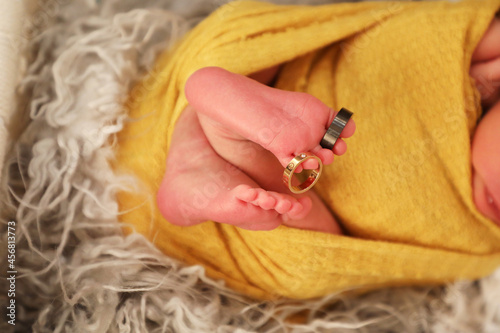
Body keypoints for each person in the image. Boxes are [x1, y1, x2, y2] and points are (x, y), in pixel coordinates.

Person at [157, 12, 500, 234]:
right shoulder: (479, 63)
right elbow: (420, 39)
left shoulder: (484, 233)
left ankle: (208, 154)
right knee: (264, 53)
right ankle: (221, 118)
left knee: (299, 222)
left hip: (310, 207)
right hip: (310, 92)